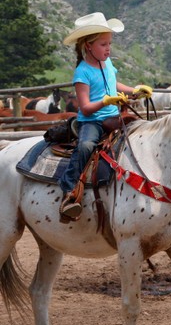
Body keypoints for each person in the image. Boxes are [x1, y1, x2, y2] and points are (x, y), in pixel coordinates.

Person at [58, 12, 153, 221]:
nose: (108, 48)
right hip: (92, 121)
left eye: (109, 43)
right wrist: (105, 101)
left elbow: (114, 85)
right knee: (85, 146)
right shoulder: (82, 73)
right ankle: (69, 190)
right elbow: (85, 107)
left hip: (114, 117)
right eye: (103, 44)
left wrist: (135, 91)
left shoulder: (107, 64)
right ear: (88, 46)